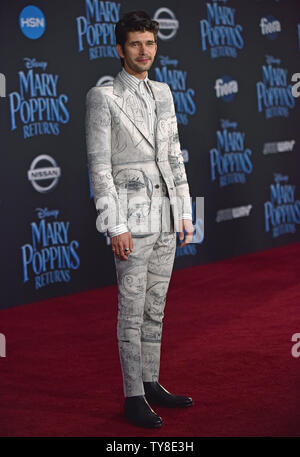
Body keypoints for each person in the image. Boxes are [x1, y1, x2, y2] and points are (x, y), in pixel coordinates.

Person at [85, 10, 195, 428]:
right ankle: (133, 397)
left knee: (155, 308)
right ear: (120, 49)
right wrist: (115, 225)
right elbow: (99, 166)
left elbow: (173, 155)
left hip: (167, 217)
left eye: (149, 43)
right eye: (135, 43)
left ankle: (151, 383)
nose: (144, 51)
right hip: (130, 221)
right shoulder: (104, 97)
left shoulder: (164, 92)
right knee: (131, 310)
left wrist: (184, 211)